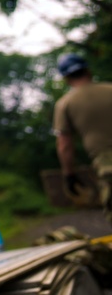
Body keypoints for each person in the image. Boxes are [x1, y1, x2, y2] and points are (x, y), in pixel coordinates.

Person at [53, 53, 112, 225]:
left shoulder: (65, 103)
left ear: (66, 78)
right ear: (88, 70)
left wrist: (69, 175)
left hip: (107, 163)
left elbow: (64, 145)